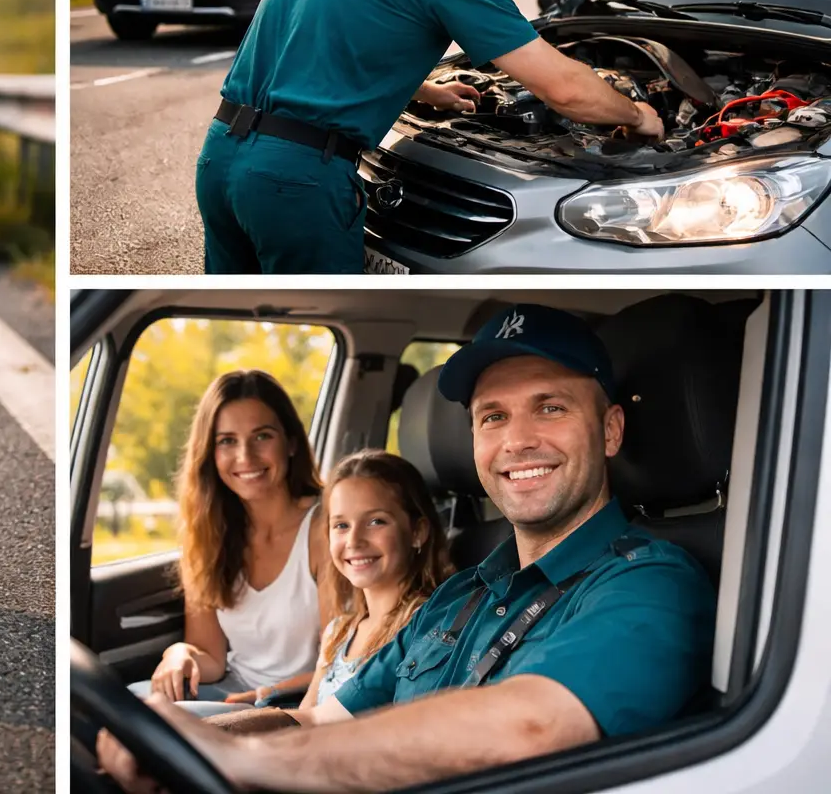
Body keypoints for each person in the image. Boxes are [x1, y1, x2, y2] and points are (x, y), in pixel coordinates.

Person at [98, 304, 716, 792]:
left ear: (610, 430)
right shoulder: (460, 593)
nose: (517, 441)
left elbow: (533, 724)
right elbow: (318, 720)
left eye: (550, 408)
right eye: (492, 417)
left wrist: (243, 754)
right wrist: (180, 738)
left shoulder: (650, 582)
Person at [195, 0, 665, 274]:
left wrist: (422, 90)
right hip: (293, 183)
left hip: (220, 157)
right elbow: (563, 91)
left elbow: (311, 37)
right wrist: (638, 114)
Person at [129, 370, 326, 717]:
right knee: (124, 706)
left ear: (291, 442)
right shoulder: (208, 534)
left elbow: (341, 664)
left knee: (146, 731)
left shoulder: (327, 527)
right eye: (227, 441)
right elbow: (211, 657)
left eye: (262, 436)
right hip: (233, 691)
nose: (245, 456)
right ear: (210, 453)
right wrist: (179, 654)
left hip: (300, 703)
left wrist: (265, 696)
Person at [297, 450, 454, 711]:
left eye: (375, 521)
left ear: (417, 532)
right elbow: (304, 718)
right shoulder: (338, 633)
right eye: (341, 525)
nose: (354, 540)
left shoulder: (425, 627)